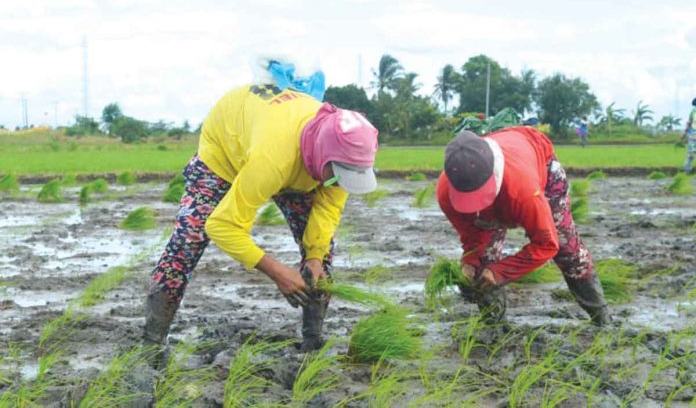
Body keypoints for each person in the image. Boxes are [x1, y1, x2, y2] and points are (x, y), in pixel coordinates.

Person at [143, 61, 379, 358]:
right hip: (225, 151)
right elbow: (221, 226)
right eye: (337, 174)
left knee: (321, 253)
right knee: (186, 244)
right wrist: (276, 271)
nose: (338, 183)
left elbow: (328, 211)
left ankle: (312, 342)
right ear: (323, 152)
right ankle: (151, 344)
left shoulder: (342, 157)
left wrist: (315, 256)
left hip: (292, 158)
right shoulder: (273, 158)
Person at [436, 126, 611, 326]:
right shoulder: (446, 193)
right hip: (501, 170)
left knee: (567, 250)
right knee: (483, 261)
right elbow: (473, 237)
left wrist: (501, 271)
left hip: (539, 166)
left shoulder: (522, 190)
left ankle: (603, 320)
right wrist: (471, 262)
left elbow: (546, 244)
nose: (478, 205)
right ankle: (494, 328)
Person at [681, 97, 696, 173]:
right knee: (691, 153)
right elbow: (689, 122)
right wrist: (684, 132)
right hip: (693, 134)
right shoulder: (693, 111)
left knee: (691, 153)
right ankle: (687, 170)